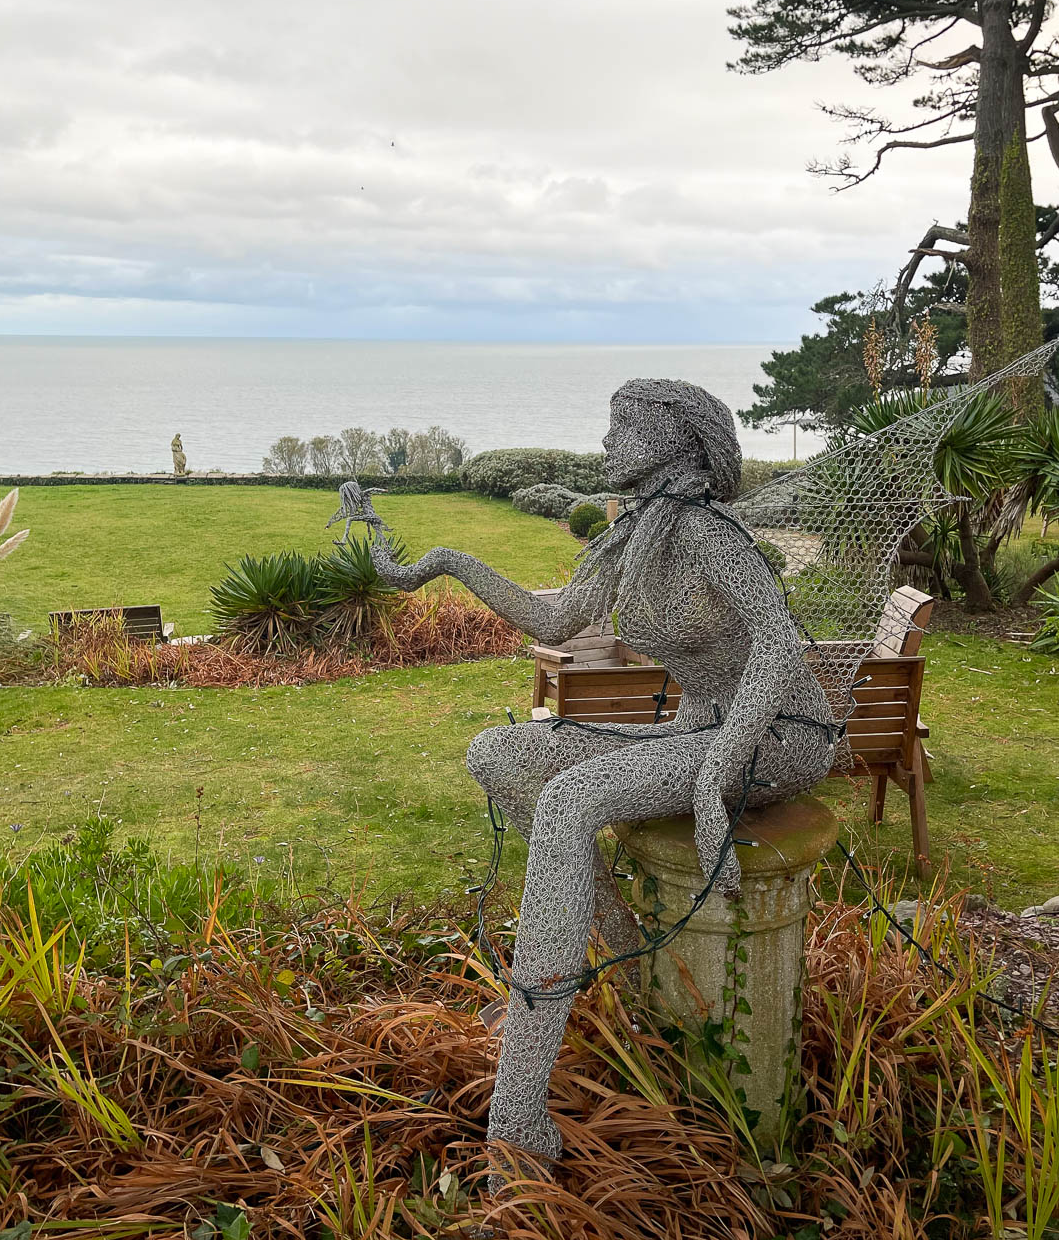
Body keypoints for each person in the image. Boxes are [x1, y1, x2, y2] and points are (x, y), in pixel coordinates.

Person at [342, 379, 842, 1172]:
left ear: (677, 439)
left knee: (571, 799)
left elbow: (778, 649)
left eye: (625, 426)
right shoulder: (634, 536)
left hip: (777, 736)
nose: (609, 442)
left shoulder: (709, 533)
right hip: (704, 730)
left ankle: (519, 1114)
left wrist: (714, 778)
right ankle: (636, 968)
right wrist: (443, 562)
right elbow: (553, 620)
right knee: (499, 754)